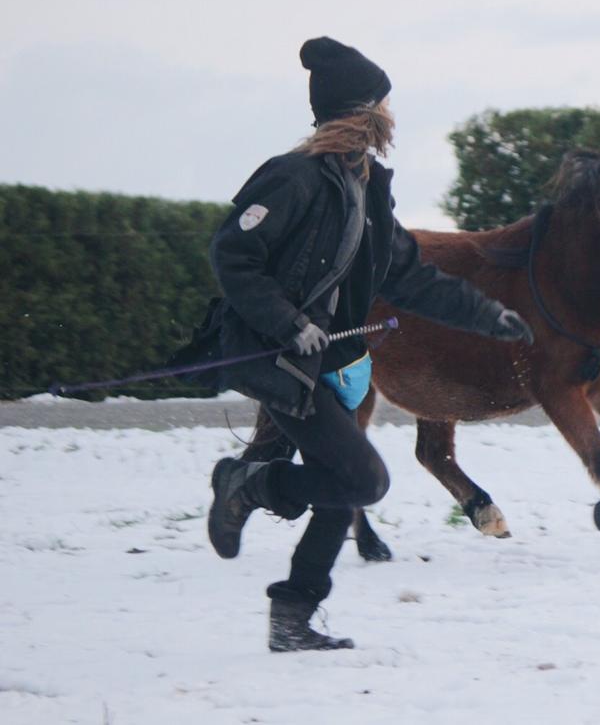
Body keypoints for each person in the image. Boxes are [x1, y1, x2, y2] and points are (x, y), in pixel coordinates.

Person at [203, 36, 533, 652]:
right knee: (364, 481)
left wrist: (489, 316)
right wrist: (286, 323)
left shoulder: (367, 187)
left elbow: (408, 276)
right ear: (364, 112)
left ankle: (294, 619)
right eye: (384, 103)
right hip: (283, 361)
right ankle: (247, 484)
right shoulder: (292, 178)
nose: (392, 116)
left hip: (334, 364)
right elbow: (233, 253)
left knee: (337, 485)